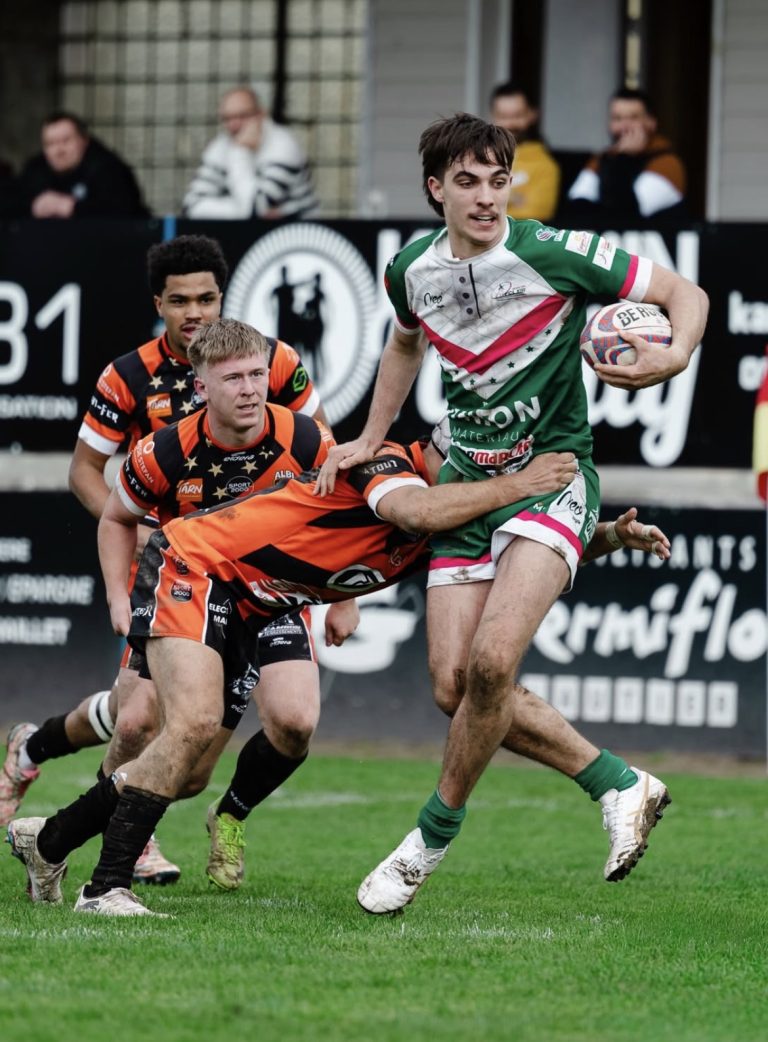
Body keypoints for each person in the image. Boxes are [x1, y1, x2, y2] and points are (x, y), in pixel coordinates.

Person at [6, 423, 669, 916]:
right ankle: (105, 887)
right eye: (465, 467)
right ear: (441, 453)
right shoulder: (387, 463)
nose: (471, 482)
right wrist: (520, 482)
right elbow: (415, 509)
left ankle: (50, 841)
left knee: (208, 759)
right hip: (197, 564)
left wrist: (610, 536)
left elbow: (515, 542)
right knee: (190, 726)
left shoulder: (449, 515)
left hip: (255, 604)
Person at [316, 112, 708, 914]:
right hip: (469, 485)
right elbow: (403, 344)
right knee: (454, 688)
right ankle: (620, 785)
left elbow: (684, 293)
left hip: (554, 478)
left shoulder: (551, 251)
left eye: (499, 180)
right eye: (468, 182)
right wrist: (371, 438)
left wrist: (674, 354)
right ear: (436, 189)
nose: (487, 197)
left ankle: (427, 841)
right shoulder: (410, 270)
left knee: (493, 665)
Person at [0, 235, 329, 882]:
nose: (195, 313)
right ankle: (113, 842)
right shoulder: (129, 377)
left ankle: (34, 749)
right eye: (180, 301)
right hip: (172, 570)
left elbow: (324, 461)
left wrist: (336, 587)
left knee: (232, 740)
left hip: (260, 576)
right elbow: (86, 473)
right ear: (159, 304)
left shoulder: (270, 362)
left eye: (207, 298)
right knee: (139, 720)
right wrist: (142, 531)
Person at [182, 86, 317, 220]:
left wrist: (240, 153)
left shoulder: (282, 145)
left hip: (297, 230)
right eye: (227, 118)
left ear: (261, 115)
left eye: (242, 116)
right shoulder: (220, 146)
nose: (234, 125)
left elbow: (256, 209)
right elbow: (191, 206)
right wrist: (244, 211)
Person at [566, 87, 687, 222]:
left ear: (651, 123)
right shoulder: (603, 158)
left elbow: (626, 215)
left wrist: (624, 158)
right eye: (617, 118)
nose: (624, 126)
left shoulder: (668, 163)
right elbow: (577, 206)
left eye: (633, 118)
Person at [15, 111, 149, 219]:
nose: (59, 150)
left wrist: (72, 208)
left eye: (66, 141)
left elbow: (123, 211)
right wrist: (34, 207)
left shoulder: (108, 168)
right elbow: (13, 206)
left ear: (84, 141)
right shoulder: (35, 169)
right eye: (50, 143)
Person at [490, 82, 560, 222]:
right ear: (492, 116)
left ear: (532, 114)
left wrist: (492, 198)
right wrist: (514, 199)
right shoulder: (478, 159)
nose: (509, 124)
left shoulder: (545, 165)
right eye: (502, 116)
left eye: (517, 116)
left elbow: (536, 216)